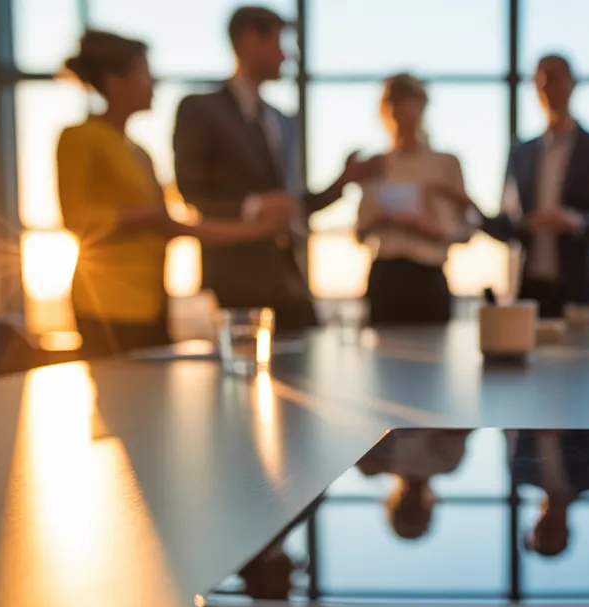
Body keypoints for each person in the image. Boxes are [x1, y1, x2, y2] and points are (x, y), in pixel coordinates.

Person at [57, 30, 287, 357]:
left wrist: (254, 230)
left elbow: (171, 226)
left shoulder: (138, 150)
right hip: (106, 304)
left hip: (152, 300)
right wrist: (145, 217)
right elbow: (76, 219)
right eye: (144, 73)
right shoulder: (80, 138)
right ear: (114, 81)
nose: (153, 83)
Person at [173, 6, 380, 333]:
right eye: (279, 42)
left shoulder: (281, 121)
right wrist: (255, 207)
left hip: (287, 276)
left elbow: (292, 205)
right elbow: (191, 191)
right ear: (249, 41)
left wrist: (343, 181)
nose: (287, 55)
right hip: (235, 275)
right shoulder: (201, 109)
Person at [479, 55, 589, 321]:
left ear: (572, 83)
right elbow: (507, 223)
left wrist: (577, 222)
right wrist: (471, 213)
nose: (545, 86)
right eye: (539, 80)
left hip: (582, 290)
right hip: (530, 290)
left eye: (553, 77)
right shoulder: (521, 153)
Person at [355, 74, 472, 326]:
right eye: (395, 103)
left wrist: (431, 230)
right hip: (386, 275)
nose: (402, 111)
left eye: (408, 102)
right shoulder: (376, 164)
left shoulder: (445, 163)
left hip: (428, 275)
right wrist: (380, 221)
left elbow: (467, 228)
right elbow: (359, 232)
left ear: (422, 106)